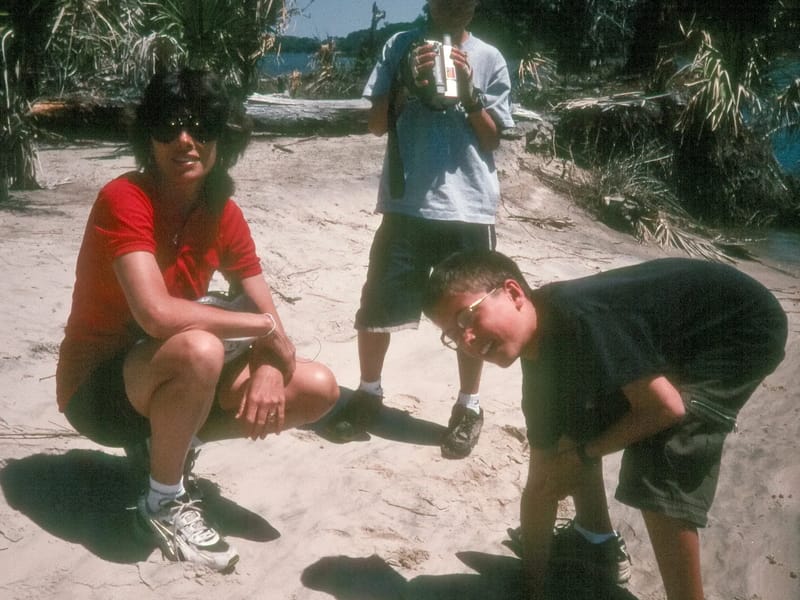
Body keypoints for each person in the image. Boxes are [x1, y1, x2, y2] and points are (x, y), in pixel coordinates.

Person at [55, 68, 339, 572]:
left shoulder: (222, 213)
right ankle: (162, 502)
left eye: (202, 125)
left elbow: (268, 315)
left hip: (162, 374)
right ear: (149, 136)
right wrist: (261, 329)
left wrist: (269, 366)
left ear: (223, 136)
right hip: (97, 391)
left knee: (316, 387)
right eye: (168, 125)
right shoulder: (125, 197)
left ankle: (168, 447)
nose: (185, 139)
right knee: (201, 347)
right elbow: (157, 314)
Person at [422, 250, 787, 599]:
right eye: (452, 335)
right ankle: (596, 541)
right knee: (571, 430)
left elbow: (666, 408)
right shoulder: (540, 362)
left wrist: (585, 454)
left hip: (740, 327)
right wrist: (533, 588)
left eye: (466, 318)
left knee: (658, 461)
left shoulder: (583, 316)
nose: (466, 340)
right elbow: (542, 481)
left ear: (514, 293)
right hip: (673, 338)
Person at [328, 0, 515, 458]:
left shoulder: (489, 58)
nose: (455, 8)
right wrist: (404, 85)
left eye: (465, 2)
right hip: (406, 203)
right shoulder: (400, 46)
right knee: (378, 304)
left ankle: (468, 406)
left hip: (468, 206)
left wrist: (470, 94)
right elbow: (376, 125)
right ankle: (368, 393)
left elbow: (493, 138)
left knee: (472, 313)